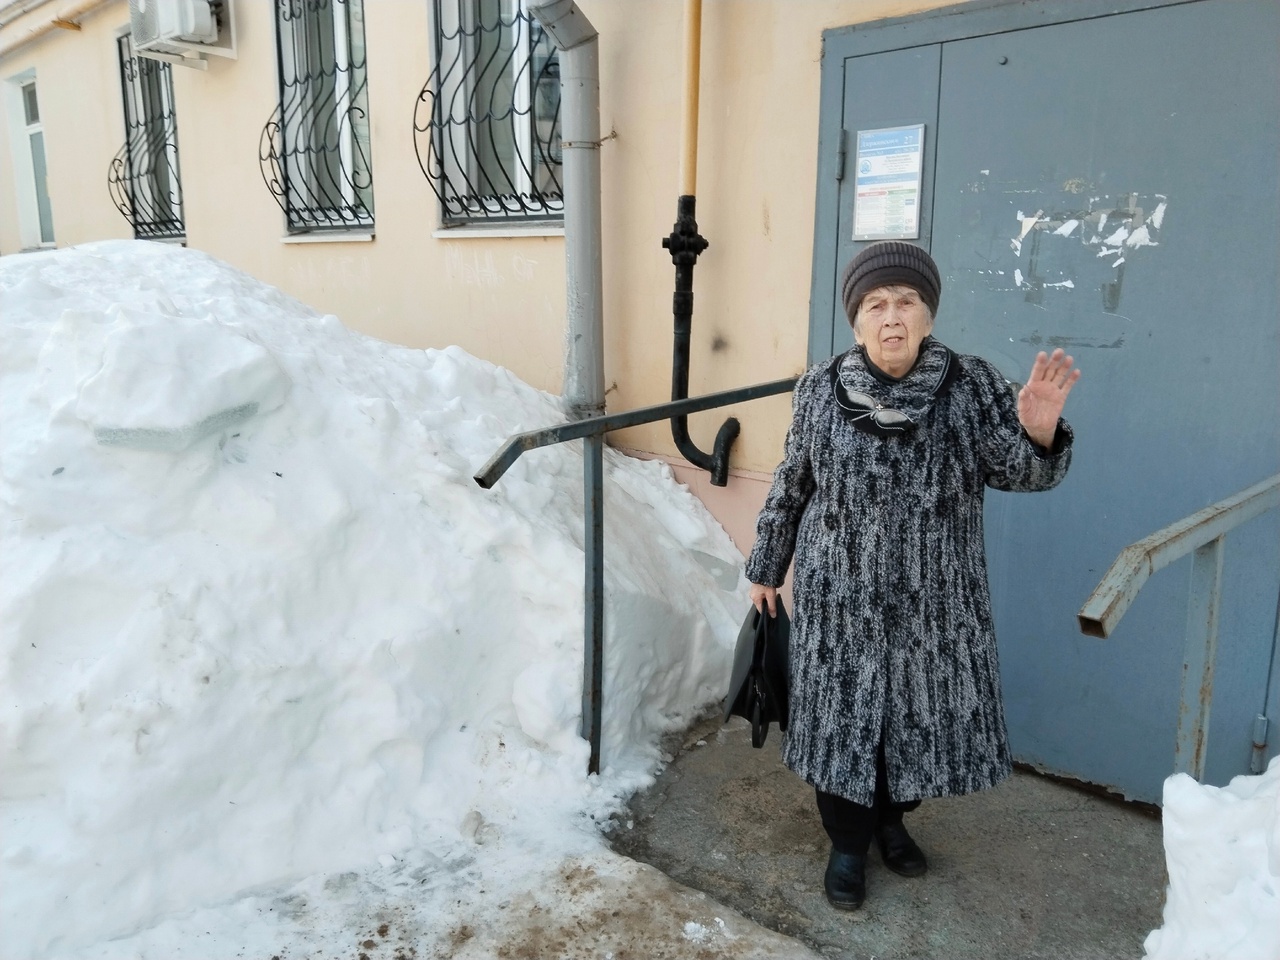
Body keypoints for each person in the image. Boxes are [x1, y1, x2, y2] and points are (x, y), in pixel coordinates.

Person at [745, 240, 1080, 910]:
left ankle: (893, 822)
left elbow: (1020, 473)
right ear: (856, 319)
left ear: (928, 315)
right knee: (841, 727)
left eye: (906, 302)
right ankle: (846, 846)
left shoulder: (972, 385)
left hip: (936, 606)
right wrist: (766, 563)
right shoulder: (818, 388)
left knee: (917, 727)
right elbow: (792, 481)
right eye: (876, 304)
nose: (891, 316)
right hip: (840, 602)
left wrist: (1040, 436)